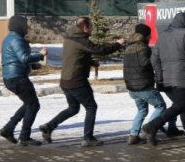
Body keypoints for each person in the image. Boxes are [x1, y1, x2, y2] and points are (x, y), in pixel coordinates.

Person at [39, 16, 125, 146]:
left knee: (73, 108)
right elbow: (99, 50)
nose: (92, 29)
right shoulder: (81, 40)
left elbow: (74, 56)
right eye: (91, 27)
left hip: (66, 80)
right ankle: (88, 138)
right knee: (91, 107)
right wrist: (118, 44)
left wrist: (90, 62)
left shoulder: (69, 38)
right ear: (85, 28)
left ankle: (48, 127)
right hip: (76, 81)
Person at [141, 12, 185, 146]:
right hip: (181, 75)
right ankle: (152, 126)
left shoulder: (162, 35)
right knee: (181, 105)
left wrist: (160, 76)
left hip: (166, 77)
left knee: (184, 105)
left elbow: (154, 59)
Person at [0, 15, 48, 146]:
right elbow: (24, 57)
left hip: (12, 77)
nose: (28, 27)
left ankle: (8, 129)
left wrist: (32, 66)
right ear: (19, 26)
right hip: (17, 78)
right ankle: (24, 137)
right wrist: (40, 55)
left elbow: (15, 59)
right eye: (26, 25)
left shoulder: (10, 38)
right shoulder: (16, 39)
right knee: (33, 105)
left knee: (28, 104)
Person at [123, 24, 166, 145]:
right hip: (143, 86)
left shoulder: (128, 47)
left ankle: (133, 135)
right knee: (161, 106)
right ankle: (149, 129)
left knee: (142, 110)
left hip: (131, 87)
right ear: (146, 36)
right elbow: (145, 64)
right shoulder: (143, 48)